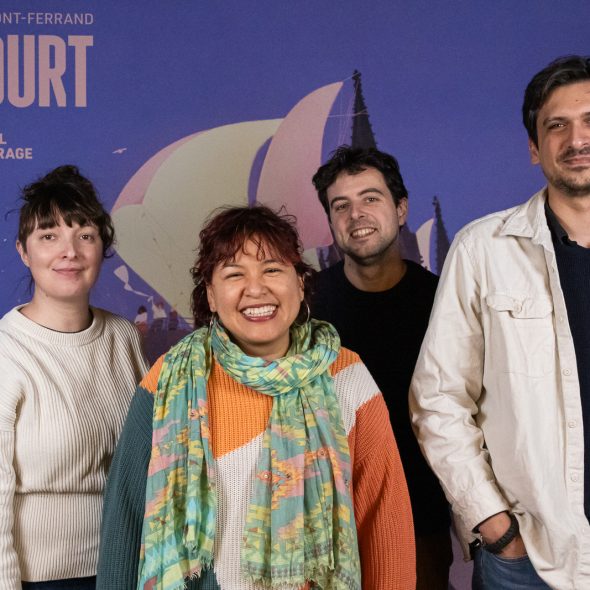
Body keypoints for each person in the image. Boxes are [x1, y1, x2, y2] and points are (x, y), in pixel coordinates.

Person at [96, 205, 415, 590]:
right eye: (234, 274)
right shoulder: (170, 380)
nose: (256, 288)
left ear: (300, 284)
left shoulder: (346, 377)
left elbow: (385, 523)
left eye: (272, 269)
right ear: (211, 295)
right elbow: (126, 521)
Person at [410, 55, 590, 589]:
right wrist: (493, 524)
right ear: (535, 148)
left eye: (589, 121)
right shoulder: (483, 250)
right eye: (556, 126)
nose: (576, 139)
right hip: (531, 558)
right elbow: (438, 398)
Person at [0, 165, 148, 589]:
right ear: (23, 251)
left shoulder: (122, 337)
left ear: (103, 248)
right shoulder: (7, 350)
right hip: (38, 578)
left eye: (85, 235)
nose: (69, 252)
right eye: (49, 236)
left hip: (125, 565)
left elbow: (150, 457)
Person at [311, 146, 452, 589]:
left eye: (370, 198)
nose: (356, 215)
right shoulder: (303, 305)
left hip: (420, 517)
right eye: (341, 205)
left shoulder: (444, 301)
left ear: (401, 208)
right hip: (323, 517)